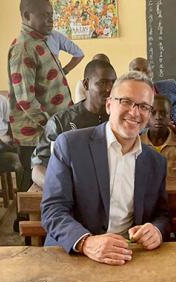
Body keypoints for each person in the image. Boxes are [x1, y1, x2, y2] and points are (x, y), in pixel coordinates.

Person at [41, 71, 171, 265]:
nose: (135, 112)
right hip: (73, 252)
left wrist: (157, 230)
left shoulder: (155, 162)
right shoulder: (70, 145)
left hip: (128, 255)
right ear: (109, 105)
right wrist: (86, 242)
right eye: (126, 102)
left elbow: (162, 214)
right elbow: (53, 209)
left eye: (144, 106)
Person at [8, 0, 72, 191]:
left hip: (48, 131)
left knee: (45, 188)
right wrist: (52, 127)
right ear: (27, 16)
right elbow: (25, 100)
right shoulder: (24, 48)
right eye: (44, 15)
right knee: (30, 189)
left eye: (51, 15)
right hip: (35, 135)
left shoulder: (40, 42)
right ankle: (20, 222)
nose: (50, 20)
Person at [31, 60, 116, 188]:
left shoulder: (119, 120)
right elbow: (38, 166)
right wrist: (58, 188)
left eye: (113, 82)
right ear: (86, 84)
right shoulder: (60, 122)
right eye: (102, 83)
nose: (110, 89)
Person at [129, 57, 176, 139]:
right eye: (136, 70)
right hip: (151, 144)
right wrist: (159, 128)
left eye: (146, 70)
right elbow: (130, 128)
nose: (142, 74)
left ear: (151, 73)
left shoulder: (170, 86)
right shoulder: (128, 100)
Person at [0, 92, 23, 191]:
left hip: (3, 142)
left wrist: (9, 138)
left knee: (23, 158)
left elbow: (12, 124)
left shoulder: (0, 100)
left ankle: (22, 196)